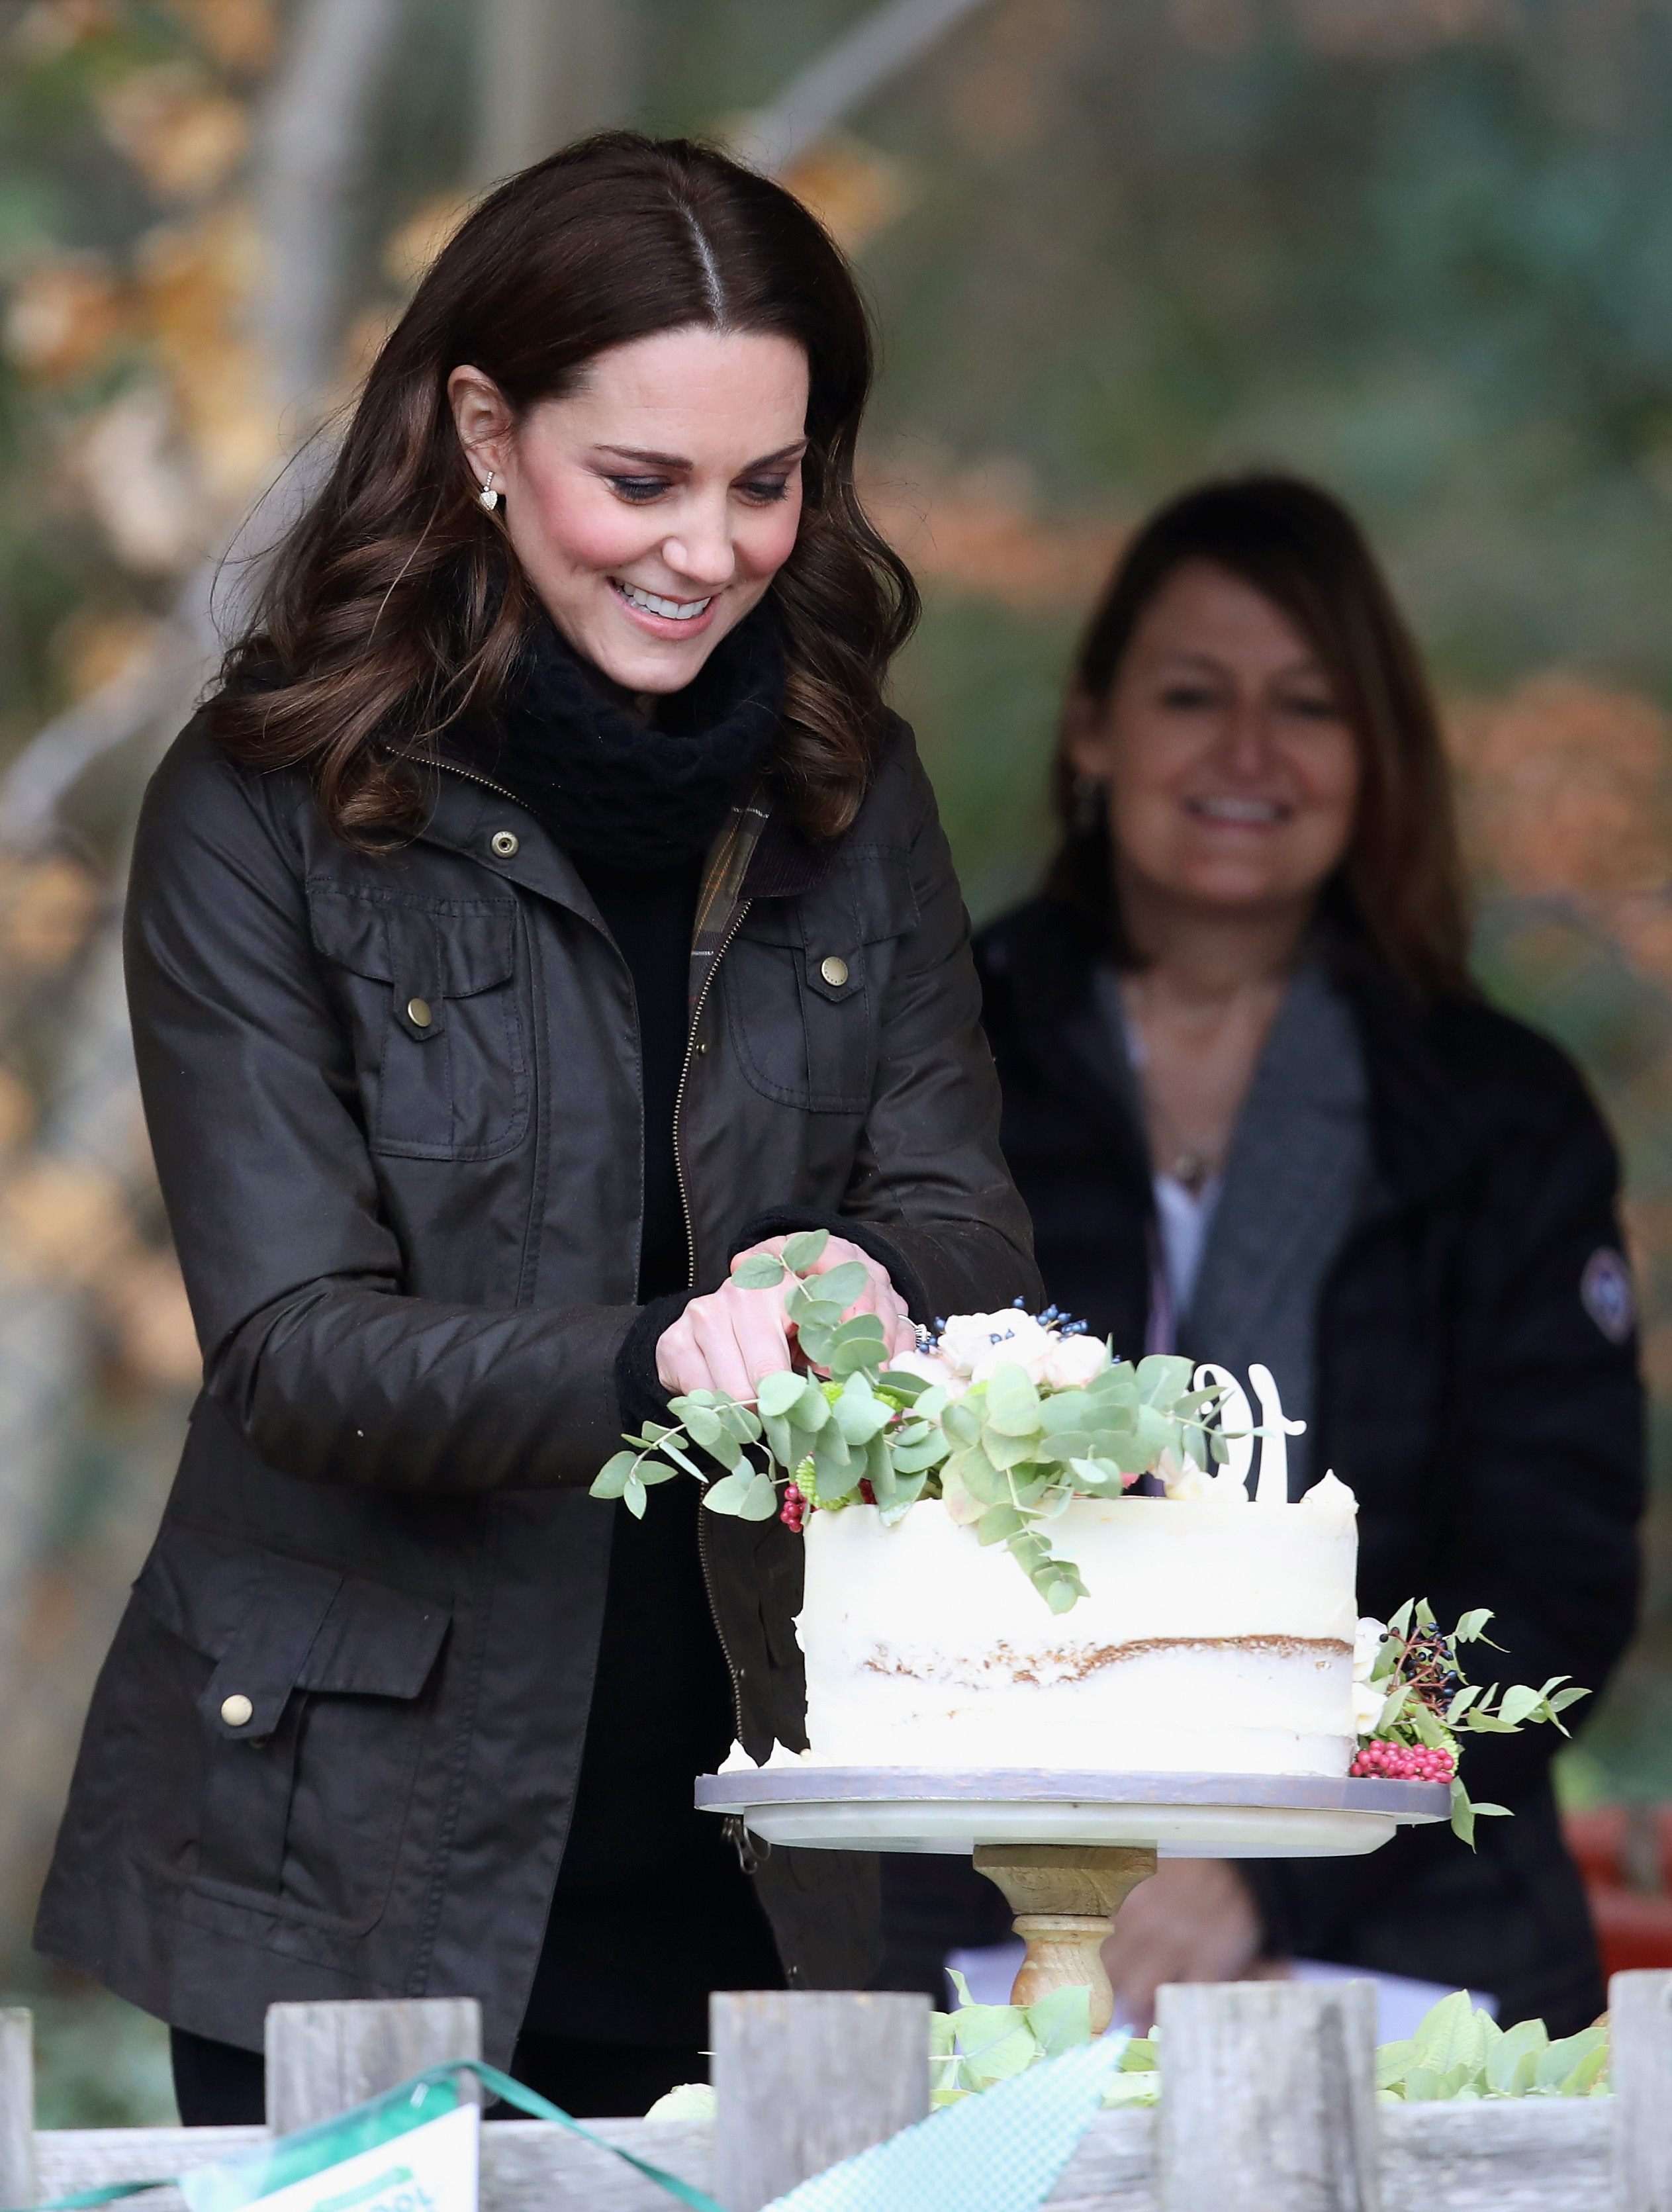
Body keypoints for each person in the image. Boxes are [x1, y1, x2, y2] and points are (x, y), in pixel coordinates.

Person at [36, 132, 1037, 2124]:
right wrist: (659, 1351)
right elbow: (296, 1346)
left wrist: (880, 1274)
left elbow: (968, 1221)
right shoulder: (263, 809)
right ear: (483, 429)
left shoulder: (855, 786)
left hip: (784, 1845)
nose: (712, 547)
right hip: (350, 1879)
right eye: (642, 482)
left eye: (770, 483)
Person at [960, 475, 1642, 2035]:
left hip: (1406, 1936)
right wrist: (1102, 1888)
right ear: (1091, 730)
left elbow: (1552, 1574)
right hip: (989, 1922)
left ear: (1372, 755)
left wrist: (1273, 1878)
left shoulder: (1497, 1116)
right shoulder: (940, 1059)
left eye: (1309, 706)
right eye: (1193, 695)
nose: (1248, 755)